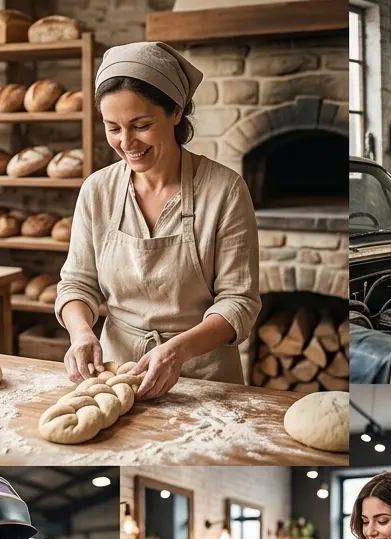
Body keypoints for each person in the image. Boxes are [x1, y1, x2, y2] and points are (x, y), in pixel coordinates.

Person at [55, 41, 260, 399]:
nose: (126, 142)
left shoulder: (225, 190)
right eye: (113, 128)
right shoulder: (97, 190)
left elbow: (238, 301)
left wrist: (178, 350)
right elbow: (76, 283)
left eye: (141, 125)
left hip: (204, 378)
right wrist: (82, 334)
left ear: (176, 112)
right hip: (115, 376)